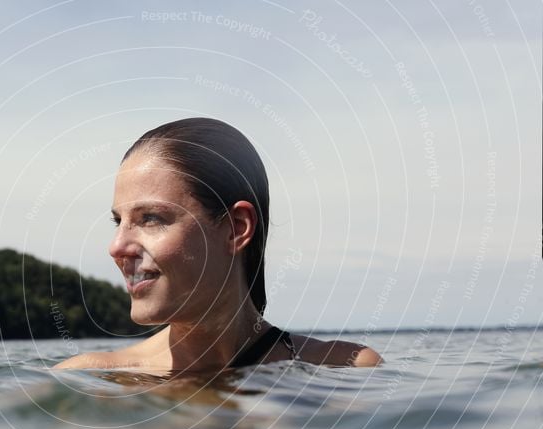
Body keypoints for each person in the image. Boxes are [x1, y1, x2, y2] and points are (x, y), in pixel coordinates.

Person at [55, 117, 382, 371]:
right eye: (118, 221)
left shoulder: (345, 369)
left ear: (237, 228)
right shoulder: (90, 379)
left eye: (151, 218)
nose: (117, 246)